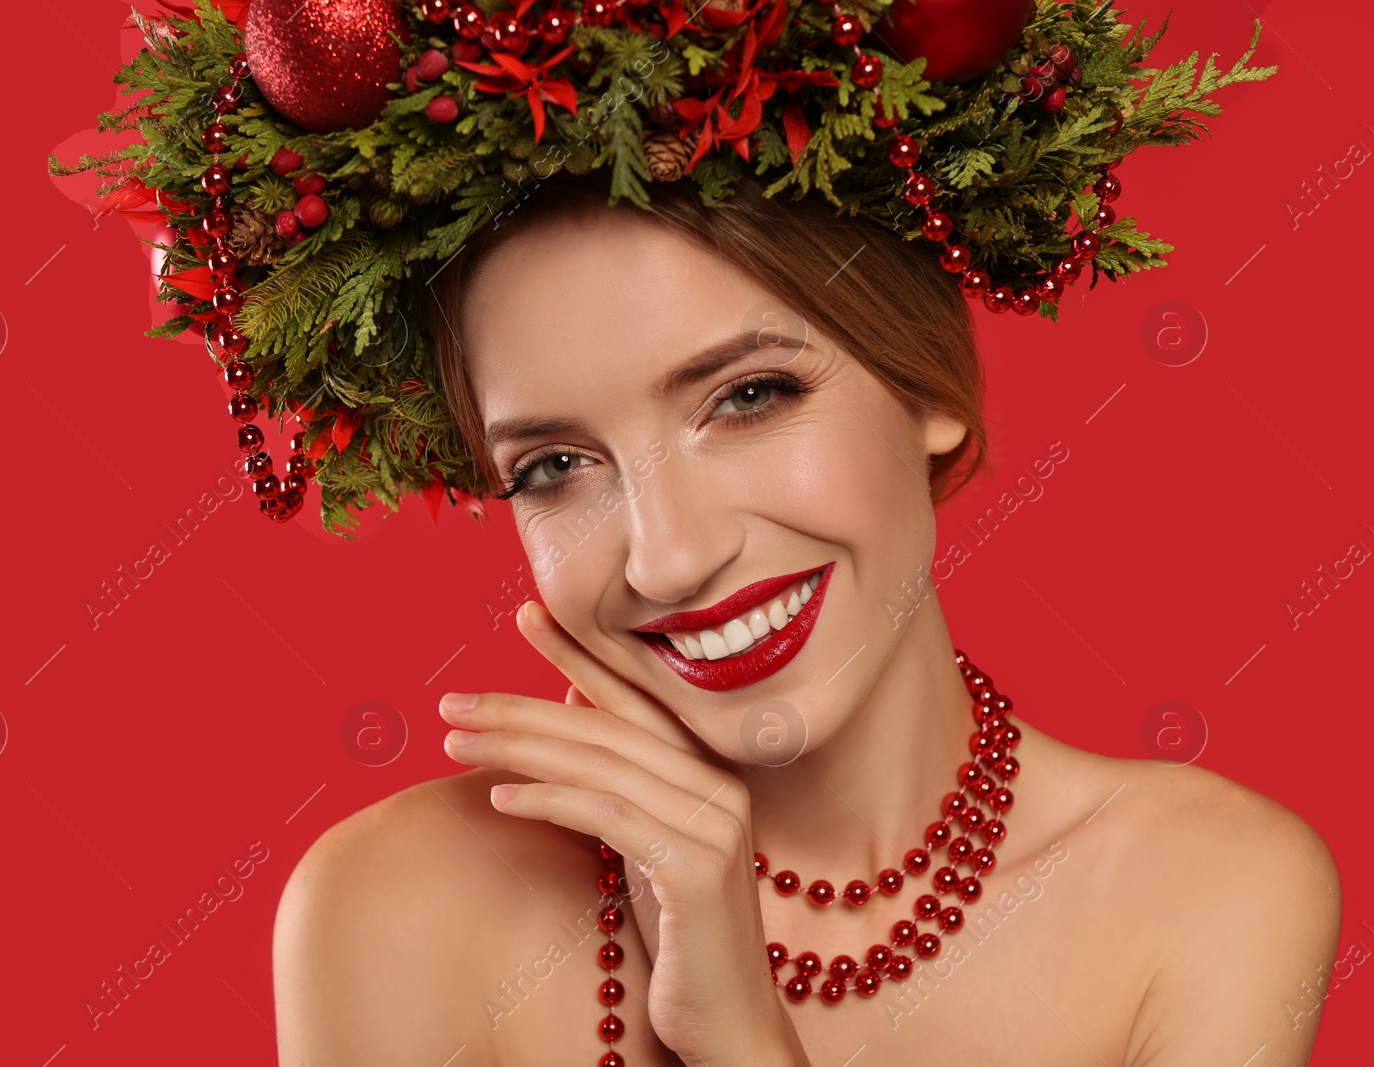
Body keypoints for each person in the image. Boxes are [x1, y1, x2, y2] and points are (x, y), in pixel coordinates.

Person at [269, 170, 1341, 1067]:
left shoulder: (1207, 892)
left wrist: (738, 1036)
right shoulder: (393, 909)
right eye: (555, 466)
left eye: (748, 396)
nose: (670, 554)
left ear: (927, 383)